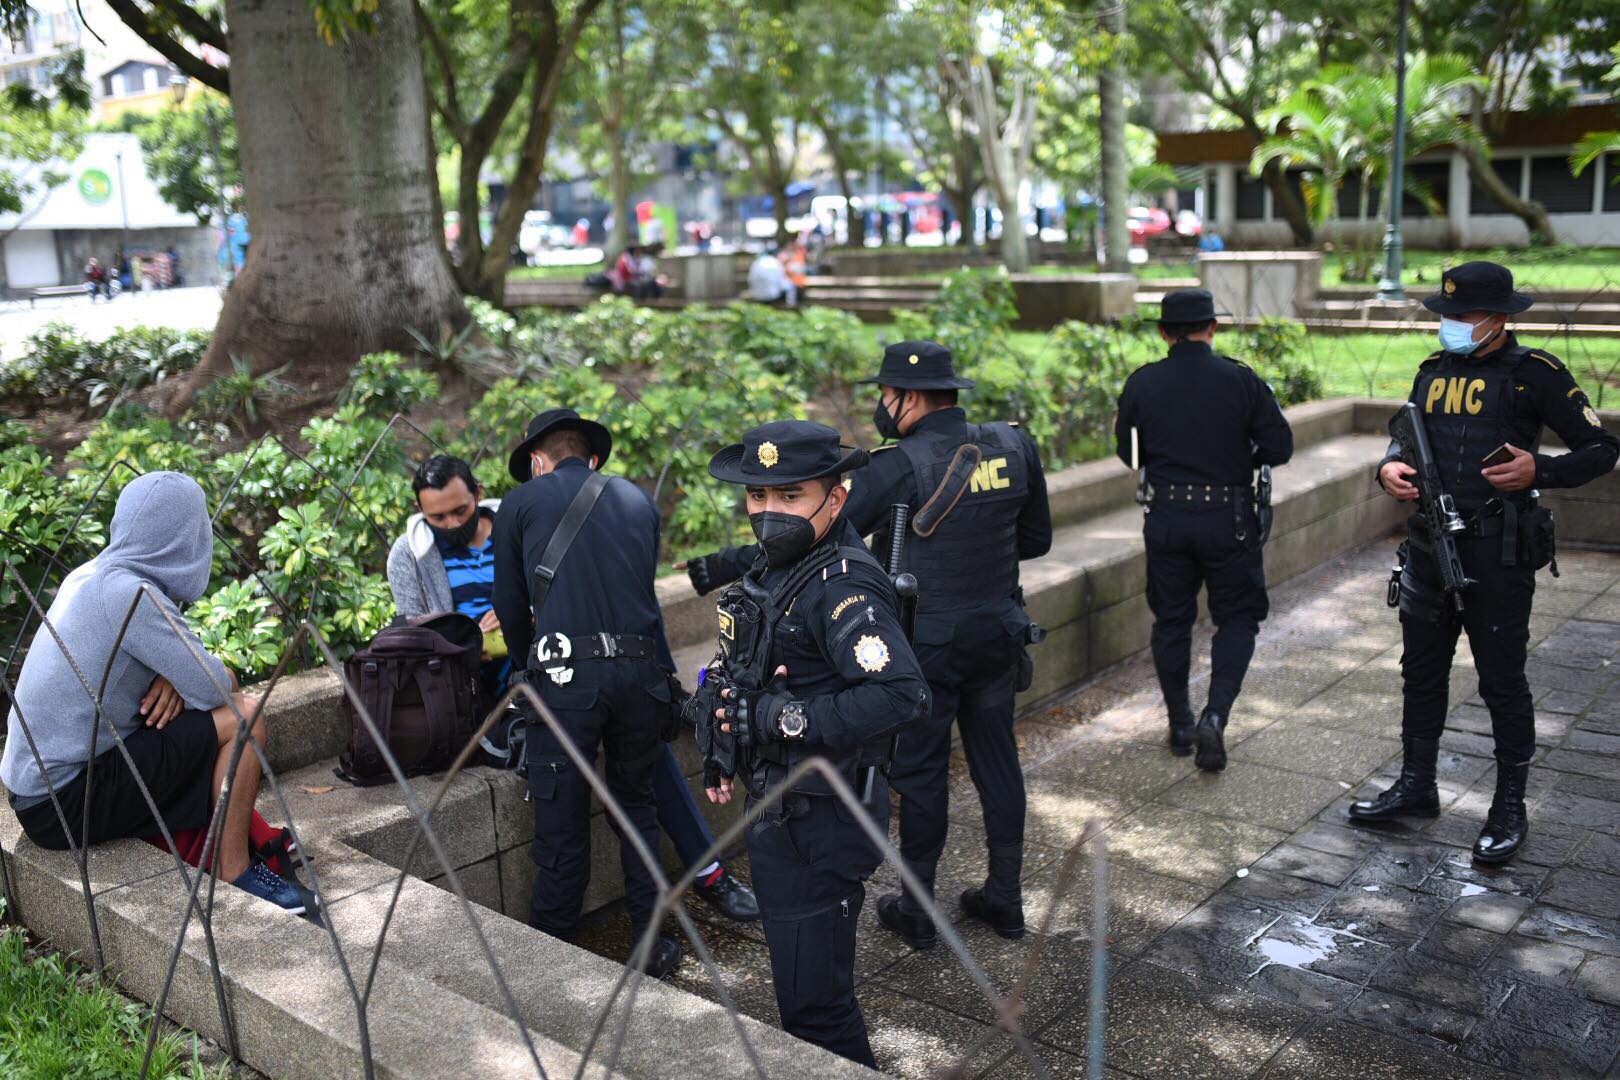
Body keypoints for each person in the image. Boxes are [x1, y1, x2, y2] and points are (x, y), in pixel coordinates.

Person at [687, 340, 1052, 948]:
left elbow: (810, 536)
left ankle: (916, 909)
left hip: (929, 649)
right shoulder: (1014, 444)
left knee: (925, 775)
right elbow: (1035, 540)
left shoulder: (900, 465)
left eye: (886, 395)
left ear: (906, 399)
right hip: (999, 631)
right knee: (998, 761)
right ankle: (1006, 898)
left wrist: (717, 566)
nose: (883, 406)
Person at [1354, 261, 1619, 863]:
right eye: (1444, 315)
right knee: (1420, 672)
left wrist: (1540, 470)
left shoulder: (1536, 375)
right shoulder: (1432, 372)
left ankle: (1508, 807)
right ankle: (1417, 786)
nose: (1449, 325)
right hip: (1427, 548)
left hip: (1497, 553)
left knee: (1502, 681)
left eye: (1461, 317)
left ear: (1498, 319)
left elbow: (1603, 447)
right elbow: (1408, 436)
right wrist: (1388, 466)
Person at [700, 420, 929, 1066]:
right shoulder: (782, 569)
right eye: (757, 497)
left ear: (837, 497)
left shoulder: (842, 586)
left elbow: (902, 695)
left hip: (822, 820)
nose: (770, 513)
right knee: (803, 996)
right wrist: (728, 742)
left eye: (790, 496)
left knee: (817, 1009)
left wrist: (780, 719)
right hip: (780, 806)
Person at [493, 411, 748, 979]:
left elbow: (511, 606)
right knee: (635, 809)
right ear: (593, 458)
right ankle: (652, 944)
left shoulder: (521, 502)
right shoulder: (637, 501)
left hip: (566, 684)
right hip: (640, 680)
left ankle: (549, 956)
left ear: (538, 460)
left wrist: (527, 665)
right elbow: (643, 602)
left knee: (562, 826)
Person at [0, 472, 305, 913]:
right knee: (246, 718)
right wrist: (190, 678)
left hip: (35, 790)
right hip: (63, 802)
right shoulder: (133, 595)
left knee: (203, 713)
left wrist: (175, 677)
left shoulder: (93, 575)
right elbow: (217, 687)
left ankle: (236, 840)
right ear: (187, 537)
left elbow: (188, 679)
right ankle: (235, 871)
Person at [1115, 288, 1294, 772]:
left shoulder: (1142, 384)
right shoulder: (1241, 381)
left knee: (1172, 621)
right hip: (1228, 519)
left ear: (1162, 332)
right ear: (1212, 327)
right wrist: (1241, 454)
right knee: (1236, 618)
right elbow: (1279, 448)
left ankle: (1179, 725)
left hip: (1168, 518)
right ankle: (1215, 716)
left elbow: (1129, 456)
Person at [387, 455, 508, 699]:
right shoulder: (408, 555)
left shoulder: (516, 529)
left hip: (532, 665)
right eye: (438, 517)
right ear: (420, 509)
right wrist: (464, 648)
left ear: (478, 494)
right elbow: (414, 629)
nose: (451, 524)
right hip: (460, 684)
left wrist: (521, 613)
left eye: (460, 511)